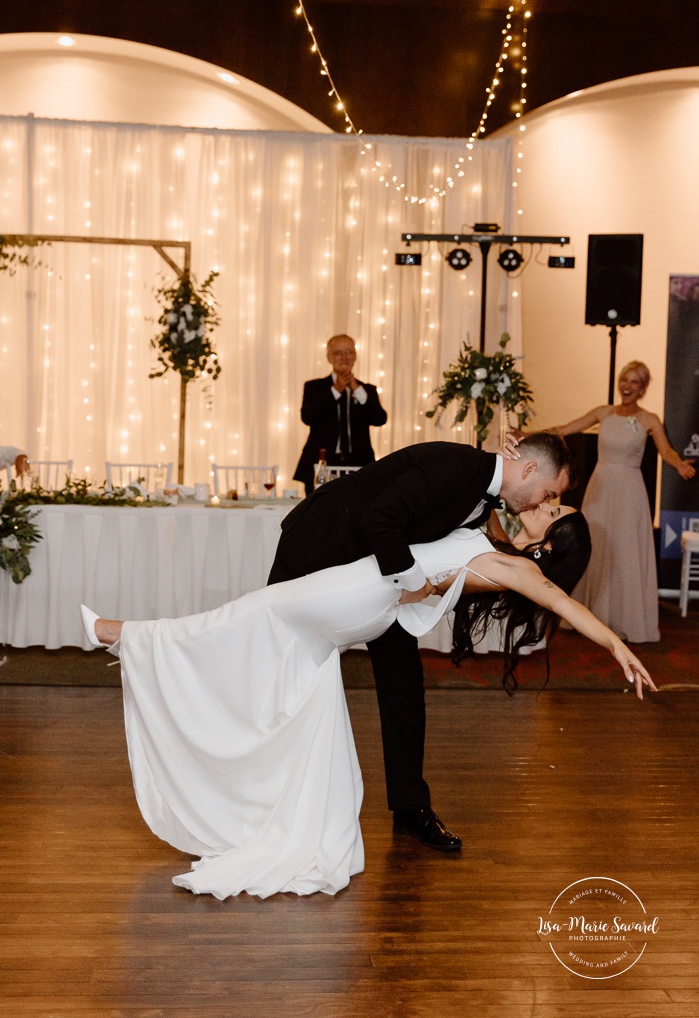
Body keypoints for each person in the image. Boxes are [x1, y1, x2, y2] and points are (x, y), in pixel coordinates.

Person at [80, 507, 656, 902]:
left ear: (546, 545)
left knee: (251, 616)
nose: (544, 503)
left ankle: (124, 634)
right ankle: (278, 804)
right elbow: (486, 506)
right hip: (369, 589)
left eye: (552, 511)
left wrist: (615, 644)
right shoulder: (498, 539)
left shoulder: (516, 567)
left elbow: (557, 597)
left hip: (362, 592)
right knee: (271, 641)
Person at [269, 432, 576, 853]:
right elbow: (381, 518)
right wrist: (415, 584)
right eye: (548, 492)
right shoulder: (458, 468)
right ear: (527, 470)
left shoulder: (487, 497)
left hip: (377, 576)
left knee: (404, 686)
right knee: (287, 673)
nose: (543, 503)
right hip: (320, 547)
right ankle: (268, 797)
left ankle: (411, 809)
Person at [546, 361, 696, 643]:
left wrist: (679, 466)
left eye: (635, 382)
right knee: (595, 546)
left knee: (625, 549)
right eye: (624, 380)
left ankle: (625, 620)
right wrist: (529, 436)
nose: (627, 386)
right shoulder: (603, 412)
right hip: (601, 487)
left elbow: (667, 451)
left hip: (630, 492)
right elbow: (566, 428)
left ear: (643, 388)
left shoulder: (650, 419)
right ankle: (590, 617)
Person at [293, 334, 388, 495]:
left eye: (349, 352)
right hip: (321, 464)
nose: (344, 357)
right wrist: (335, 391)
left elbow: (380, 419)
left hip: (359, 464)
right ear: (329, 358)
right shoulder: (314, 387)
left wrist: (357, 391)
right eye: (338, 353)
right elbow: (307, 417)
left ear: (355, 356)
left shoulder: (367, 390)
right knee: (318, 515)